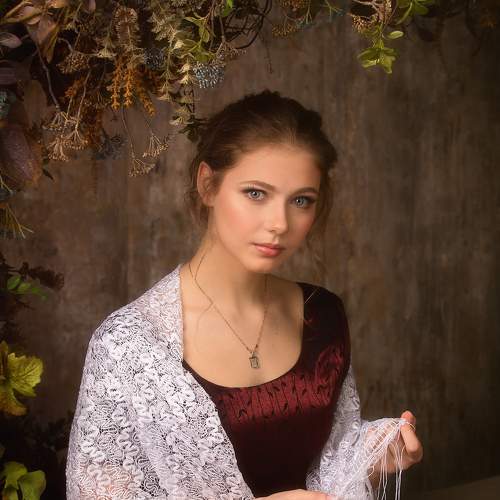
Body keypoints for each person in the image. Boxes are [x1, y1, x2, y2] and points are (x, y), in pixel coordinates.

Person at [66, 90, 423, 499]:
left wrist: (373, 454)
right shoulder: (128, 343)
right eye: (256, 193)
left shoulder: (322, 315)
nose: (279, 223)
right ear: (208, 185)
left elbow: (328, 456)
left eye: (301, 200)